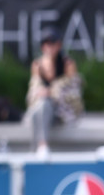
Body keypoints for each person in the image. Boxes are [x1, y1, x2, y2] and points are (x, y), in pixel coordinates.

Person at [25, 26, 83, 158]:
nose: (49, 47)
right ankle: (38, 149)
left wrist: (50, 92)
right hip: (42, 111)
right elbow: (33, 91)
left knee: (44, 104)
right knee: (39, 108)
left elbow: (72, 92)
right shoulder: (37, 65)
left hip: (62, 112)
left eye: (52, 43)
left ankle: (41, 146)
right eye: (46, 44)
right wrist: (42, 94)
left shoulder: (68, 64)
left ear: (59, 45)